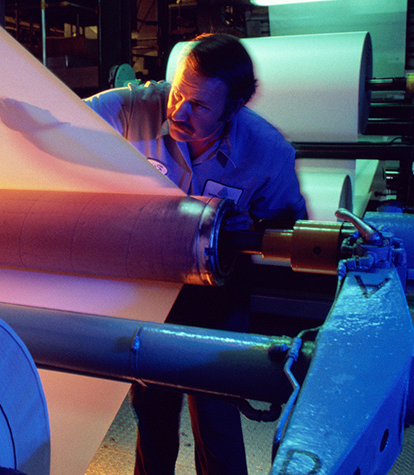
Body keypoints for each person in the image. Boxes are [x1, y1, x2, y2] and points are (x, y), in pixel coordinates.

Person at [84, 33, 307, 475]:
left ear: (234, 107)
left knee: (215, 409)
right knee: (152, 405)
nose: (179, 112)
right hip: (154, 280)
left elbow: (289, 225)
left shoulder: (267, 153)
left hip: (217, 289)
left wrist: (252, 228)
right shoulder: (138, 107)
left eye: (200, 106)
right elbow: (66, 119)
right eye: (178, 94)